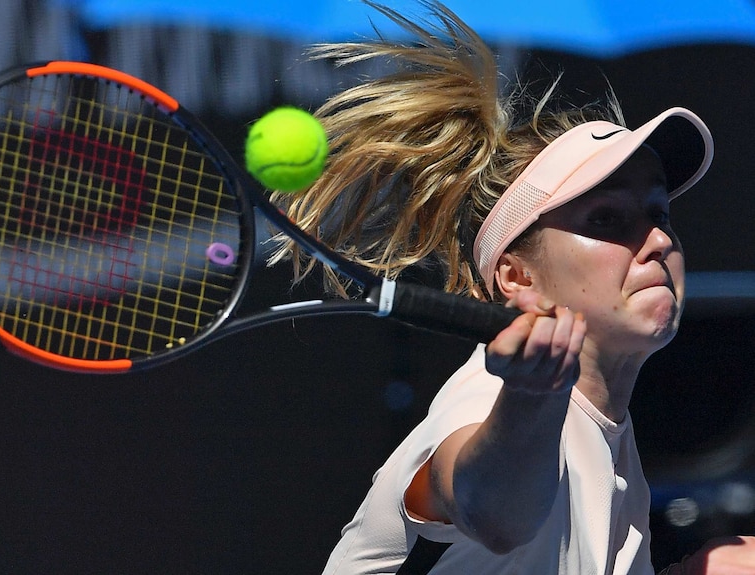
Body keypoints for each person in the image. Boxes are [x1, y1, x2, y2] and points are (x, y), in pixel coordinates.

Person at [269, 1, 755, 574]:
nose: (655, 240)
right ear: (516, 276)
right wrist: (528, 397)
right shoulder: (487, 397)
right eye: (606, 220)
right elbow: (494, 514)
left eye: (659, 214)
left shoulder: (606, 435)